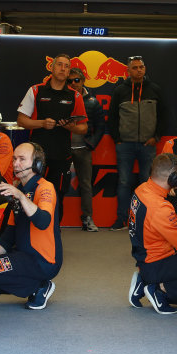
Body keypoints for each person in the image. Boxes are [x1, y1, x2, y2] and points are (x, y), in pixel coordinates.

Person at [127, 153, 177, 314]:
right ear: (173, 178)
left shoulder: (141, 189)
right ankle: (160, 291)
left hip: (144, 257)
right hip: (157, 263)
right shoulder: (161, 208)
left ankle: (142, 279)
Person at [0, 142, 62, 310]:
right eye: (14, 159)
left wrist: (20, 196)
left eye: (22, 159)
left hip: (43, 261)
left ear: (37, 164)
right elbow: (7, 238)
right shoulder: (19, 190)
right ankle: (36, 285)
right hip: (21, 257)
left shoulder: (46, 187)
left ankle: (38, 286)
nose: (16, 164)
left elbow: (43, 221)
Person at [16, 54, 88, 223]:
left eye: (67, 66)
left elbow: (83, 127)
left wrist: (71, 127)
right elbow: (21, 120)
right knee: (32, 193)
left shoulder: (75, 96)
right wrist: (41, 123)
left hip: (61, 156)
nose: (63, 69)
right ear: (52, 68)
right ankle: (29, 235)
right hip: (36, 157)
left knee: (57, 197)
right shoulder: (35, 90)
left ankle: (53, 235)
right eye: (60, 65)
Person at [108, 55, 166, 231]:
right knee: (124, 182)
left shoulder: (155, 89)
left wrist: (156, 137)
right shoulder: (120, 91)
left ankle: (146, 220)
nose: (138, 70)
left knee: (147, 183)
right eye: (134, 67)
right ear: (128, 70)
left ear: (145, 69)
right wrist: (118, 139)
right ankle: (121, 219)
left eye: (141, 67)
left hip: (147, 145)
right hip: (125, 145)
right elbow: (111, 117)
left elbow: (163, 115)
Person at [67, 67, 106, 232]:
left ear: (83, 81)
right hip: (64, 149)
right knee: (58, 185)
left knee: (86, 185)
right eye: (70, 81)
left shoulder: (92, 101)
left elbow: (101, 126)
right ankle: (53, 219)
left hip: (83, 149)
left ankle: (88, 219)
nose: (74, 83)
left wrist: (91, 144)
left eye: (77, 80)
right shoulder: (62, 98)